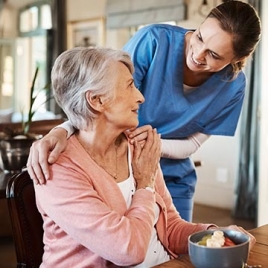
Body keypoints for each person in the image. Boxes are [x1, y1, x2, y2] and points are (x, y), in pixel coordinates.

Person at [27, 1, 261, 222]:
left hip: (172, 177)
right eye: (199, 37)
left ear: (238, 59)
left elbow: (192, 145)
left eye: (214, 55)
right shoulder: (154, 41)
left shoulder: (233, 87)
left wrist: (150, 148)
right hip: (117, 169)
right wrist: (62, 129)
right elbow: (100, 96)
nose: (197, 54)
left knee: (175, 255)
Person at [33, 46, 255, 267]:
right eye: (130, 86)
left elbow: (170, 229)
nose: (140, 97)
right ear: (97, 101)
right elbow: (129, 250)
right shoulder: (57, 167)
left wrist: (215, 235)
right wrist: (145, 184)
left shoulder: (137, 147)